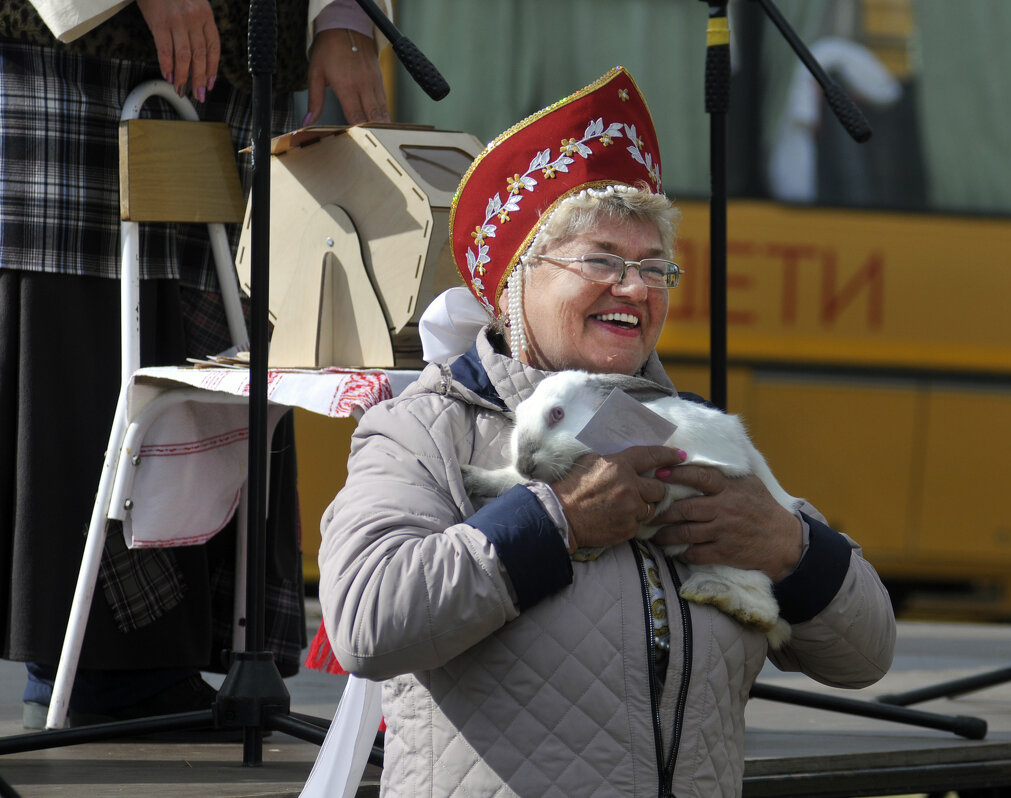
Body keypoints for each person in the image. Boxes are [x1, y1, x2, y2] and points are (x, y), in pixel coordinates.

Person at [318, 66, 896, 796]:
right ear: (517, 279)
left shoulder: (687, 435)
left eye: (655, 269)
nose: (634, 289)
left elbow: (868, 652)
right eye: (602, 261)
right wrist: (555, 523)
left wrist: (790, 547)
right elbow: (368, 623)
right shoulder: (425, 428)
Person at [0, 0, 390, 728]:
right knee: (88, 347)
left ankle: (162, 670)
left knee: (228, 357)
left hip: (243, 62)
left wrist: (343, 15)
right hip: (79, 58)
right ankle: (100, 674)